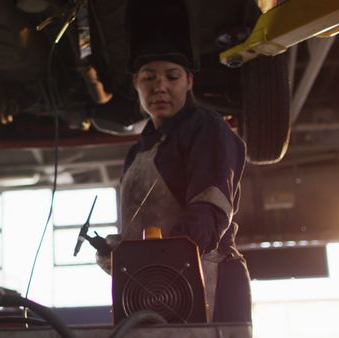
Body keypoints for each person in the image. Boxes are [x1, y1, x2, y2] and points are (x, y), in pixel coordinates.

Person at [96, 48, 252, 323]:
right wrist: (119, 255)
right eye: (148, 78)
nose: (160, 87)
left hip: (202, 278)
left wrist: (156, 266)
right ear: (136, 83)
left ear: (189, 81)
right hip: (151, 289)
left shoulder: (205, 128)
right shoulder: (137, 152)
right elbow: (139, 230)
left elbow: (207, 214)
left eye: (172, 76)